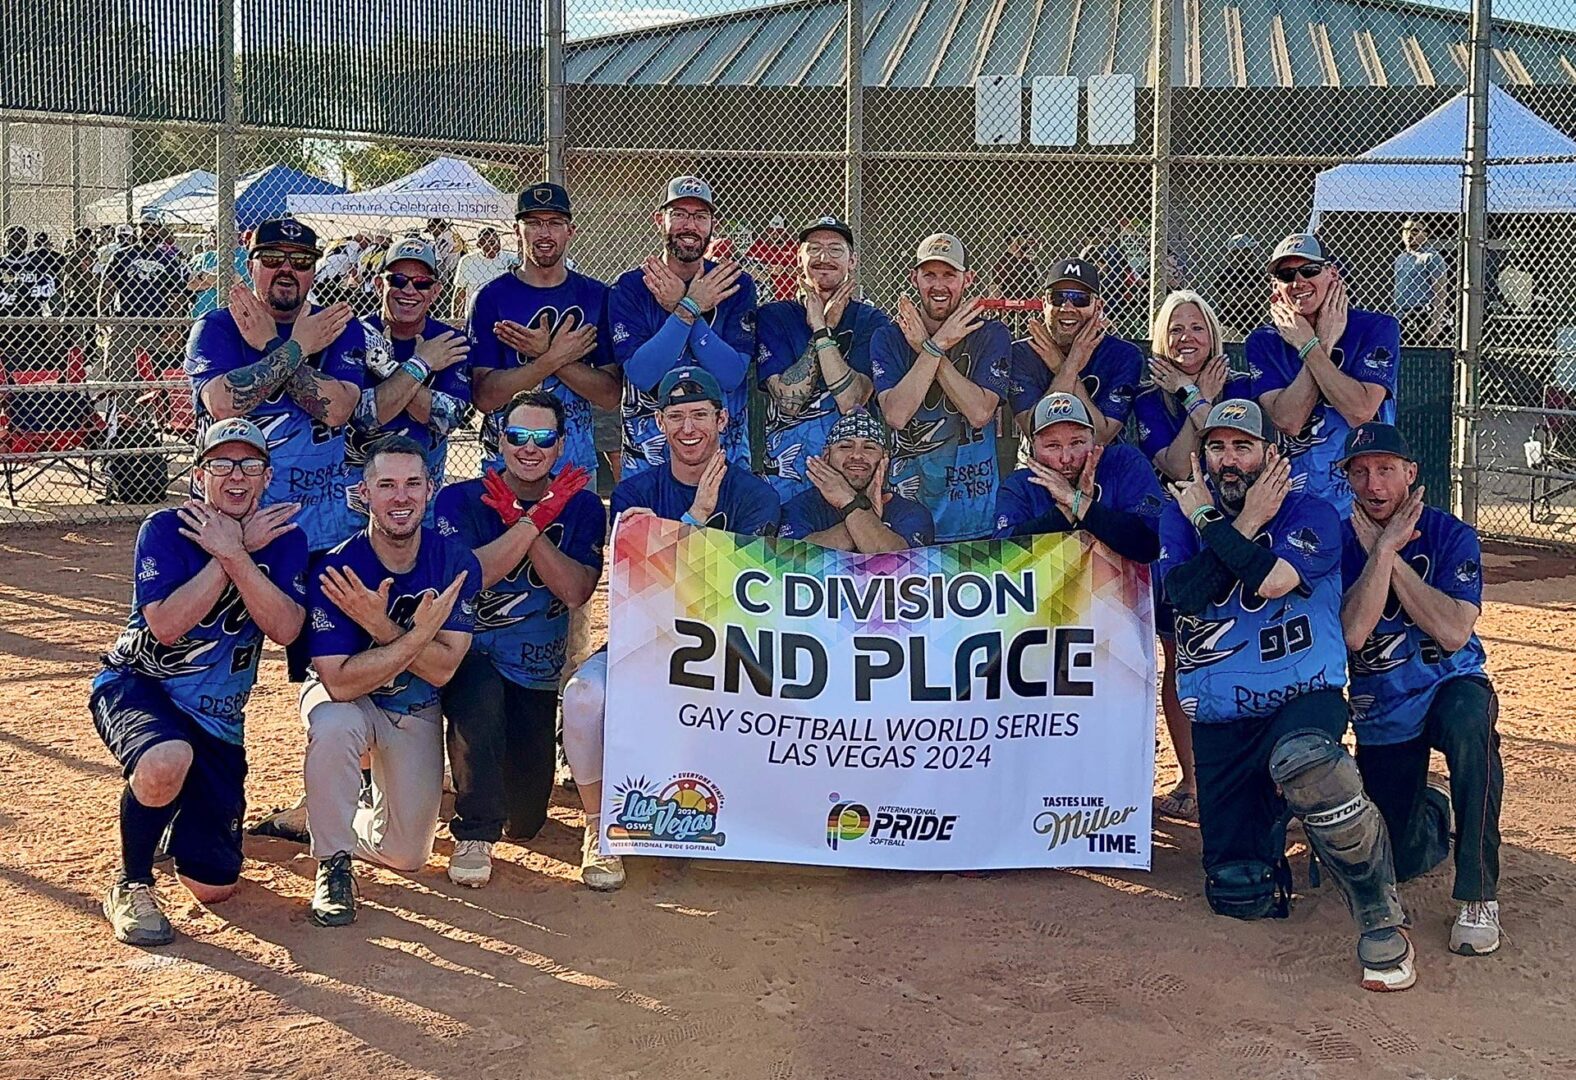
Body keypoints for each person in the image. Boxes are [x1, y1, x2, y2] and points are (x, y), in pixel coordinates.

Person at [1158, 398, 1415, 993]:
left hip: (1302, 693)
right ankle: (1280, 825)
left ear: (1272, 457)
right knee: (1238, 891)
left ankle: (1379, 912)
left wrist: (1216, 527)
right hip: (1223, 717)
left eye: (1243, 447)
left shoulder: (1313, 512)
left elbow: (1273, 579)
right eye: (1217, 447)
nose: (1229, 460)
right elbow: (1187, 595)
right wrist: (1234, 525)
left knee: (1306, 763)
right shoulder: (1180, 516)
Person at [559, 365, 780, 891]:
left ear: (722, 419)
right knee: (584, 696)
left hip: (731, 648)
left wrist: (682, 541)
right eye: (675, 416)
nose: (688, 427)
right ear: (658, 423)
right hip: (650, 641)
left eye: (700, 414)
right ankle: (600, 829)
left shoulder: (755, 496)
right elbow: (640, 586)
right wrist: (698, 519)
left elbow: (749, 592)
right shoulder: (636, 491)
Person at [90, 418, 307, 945]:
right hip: (140, 685)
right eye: (222, 464)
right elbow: (165, 626)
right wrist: (227, 554)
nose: (236, 476)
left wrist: (240, 553)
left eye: (250, 465)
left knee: (214, 887)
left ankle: (166, 816)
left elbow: (285, 628)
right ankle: (131, 883)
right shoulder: (165, 528)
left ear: (266, 476)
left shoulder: (284, 539)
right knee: (166, 759)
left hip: (217, 717)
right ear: (199, 476)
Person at [1337, 422, 1504, 956]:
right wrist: (1380, 553)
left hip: (1449, 684)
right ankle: (1434, 808)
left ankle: (1478, 893)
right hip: (1383, 706)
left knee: (1469, 722)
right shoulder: (1339, 540)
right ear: (1347, 480)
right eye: (1360, 472)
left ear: (1411, 473)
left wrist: (1391, 553)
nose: (1374, 484)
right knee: (1402, 862)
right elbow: (1353, 634)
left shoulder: (1451, 533)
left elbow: (1454, 631)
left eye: (1386, 470)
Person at [300, 436, 481, 926]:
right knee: (334, 723)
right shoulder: (337, 567)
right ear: (364, 494)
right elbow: (338, 682)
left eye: (412, 485)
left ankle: (321, 815)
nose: (399, 497)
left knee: (406, 856)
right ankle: (332, 863)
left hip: (414, 707)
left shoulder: (454, 560)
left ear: (430, 489)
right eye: (386, 485)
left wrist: (380, 627)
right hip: (351, 700)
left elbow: (445, 669)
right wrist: (420, 635)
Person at [433, 391, 605, 886]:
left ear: (560, 445)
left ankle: (481, 787)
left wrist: (535, 520)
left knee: (526, 822)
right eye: (518, 436)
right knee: (480, 698)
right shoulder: (460, 499)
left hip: (535, 668)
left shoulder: (583, 504)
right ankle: (474, 833)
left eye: (543, 438)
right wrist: (530, 520)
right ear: (499, 439)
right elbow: (473, 575)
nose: (529, 448)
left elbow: (574, 590)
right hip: (467, 653)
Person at [185, 217, 367, 681]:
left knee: (330, 673)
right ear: (252, 265)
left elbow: (338, 409)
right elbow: (225, 404)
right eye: (272, 259)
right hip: (230, 526)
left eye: (301, 261)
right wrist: (293, 350)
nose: (287, 269)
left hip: (320, 532)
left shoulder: (335, 328)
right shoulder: (218, 328)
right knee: (214, 668)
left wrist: (271, 344)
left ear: (313, 271)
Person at [1133, 290, 1244, 822]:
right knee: (1179, 651)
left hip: (1241, 524)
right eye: (1175, 329)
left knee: (1240, 642)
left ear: (1214, 335)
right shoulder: (1151, 398)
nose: (1186, 338)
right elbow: (1179, 464)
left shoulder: (1239, 386)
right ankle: (1191, 777)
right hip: (1177, 526)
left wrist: (1200, 396)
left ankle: (1247, 772)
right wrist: (1194, 398)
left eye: (1197, 328)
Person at [469, 183, 619, 482]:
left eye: (554, 223)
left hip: (573, 465)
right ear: (516, 230)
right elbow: (484, 397)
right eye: (534, 223)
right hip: (507, 466)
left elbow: (609, 394)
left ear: (570, 231)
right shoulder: (490, 297)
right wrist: (550, 359)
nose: (544, 233)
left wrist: (547, 353)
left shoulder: (596, 296)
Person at [609, 176, 758, 476]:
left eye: (700, 217)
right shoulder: (631, 287)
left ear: (713, 224)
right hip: (648, 461)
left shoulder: (735, 283)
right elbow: (641, 373)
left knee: (719, 524)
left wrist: (683, 305)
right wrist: (688, 308)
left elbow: (731, 375)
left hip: (722, 461)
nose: (690, 226)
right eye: (679, 215)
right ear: (659, 220)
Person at [1244, 233, 1399, 516]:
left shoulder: (1377, 328)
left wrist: (1310, 346)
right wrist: (1320, 345)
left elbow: (1360, 411)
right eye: (1286, 274)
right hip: (1295, 502)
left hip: (1365, 499)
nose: (1298, 281)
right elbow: (1288, 421)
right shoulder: (1264, 341)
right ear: (1275, 286)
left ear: (1332, 274)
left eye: (1310, 270)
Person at [871, 233, 1009, 543]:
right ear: (914, 277)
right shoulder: (888, 337)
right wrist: (936, 347)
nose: (938, 285)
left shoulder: (991, 334)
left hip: (973, 516)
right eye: (929, 274)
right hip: (908, 514)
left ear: (967, 279)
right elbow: (896, 414)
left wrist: (930, 347)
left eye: (949, 275)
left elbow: (979, 412)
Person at [756, 214, 891, 499]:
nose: (823, 257)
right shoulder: (774, 316)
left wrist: (821, 330)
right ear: (799, 257)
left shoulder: (871, 320)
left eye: (835, 249)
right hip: (785, 481)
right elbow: (788, 400)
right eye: (814, 248)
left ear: (852, 260)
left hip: (851, 482)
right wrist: (824, 325)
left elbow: (851, 401)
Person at [349, 236, 472, 524]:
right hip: (358, 494)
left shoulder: (450, 342)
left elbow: (445, 419)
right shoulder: (354, 335)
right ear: (380, 284)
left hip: (422, 496)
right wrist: (422, 364)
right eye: (398, 280)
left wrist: (388, 367)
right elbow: (367, 416)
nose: (409, 290)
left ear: (435, 292)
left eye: (422, 283)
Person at [993, 392, 1163, 564]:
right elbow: (1005, 559)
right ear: (1033, 445)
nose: (1066, 458)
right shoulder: (1019, 486)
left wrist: (1077, 501)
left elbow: (1150, 546)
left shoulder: (1123, 462)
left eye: (1077, 443)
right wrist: (1065, 511)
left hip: (1127, 589)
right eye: (1053, 446)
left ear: (1093, 439)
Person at [1009, 257, 1142, 447]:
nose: (1067, 308)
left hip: (1101, 464)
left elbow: (1101, 437)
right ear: (1044, 304)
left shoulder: (1124, 355)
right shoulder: (1022, 353)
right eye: (1057, 297)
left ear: (1098, 307)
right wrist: (1070, 367)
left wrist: (1061, 366)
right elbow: (1034, 430)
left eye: (1080, 299)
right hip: (1038, 466)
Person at [778, 409, 932, 551]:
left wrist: (850, 503)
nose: (857, 455)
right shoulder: (800, 508)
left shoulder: (911, 512)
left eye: (869, 447)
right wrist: (862, 510)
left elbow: (899, 564)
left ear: (885, 459)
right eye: (845, 446)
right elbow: (792, 561)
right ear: (826, 457)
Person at [99, 220, 184, 381]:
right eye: (145, 227)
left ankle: (151, 406)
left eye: (154, 228)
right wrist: (101, 318)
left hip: (157, 325)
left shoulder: (169, 260)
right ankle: (122, 405)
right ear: (137, 230)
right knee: (117, 375)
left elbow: (177, 295)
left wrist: (174, 326)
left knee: (156, 377)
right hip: (125, 322)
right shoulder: (122, 255)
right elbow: (107, 288)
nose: (150, 231)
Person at [1393, 219, 1450, 346]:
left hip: (1422, 315)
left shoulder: (1431, 257)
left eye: (1415, 230)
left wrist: (1435, 323)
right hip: (1401, 315)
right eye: (1406, 230)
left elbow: (1440, 293)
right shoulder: (1400, 259)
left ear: (1425, 234)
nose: (1410, 234)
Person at [452, 226, 520, 319]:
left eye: (496, 242)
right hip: (476, 314)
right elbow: (460, 292)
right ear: (479, 244)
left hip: (503, 314)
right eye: (489, 243)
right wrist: (456, 318)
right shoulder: (468, 261)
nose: (493, 247)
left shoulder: (511, 259)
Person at [187, 227, 252, 320]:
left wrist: (203, 276)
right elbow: (191, 284)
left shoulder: (245, 256)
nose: (214, 236)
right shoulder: (206, 256)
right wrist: (217, 278)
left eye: (220, 231)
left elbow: (234, 283)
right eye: (212, 233)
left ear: (237, 235)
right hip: (201, 316)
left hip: (234, 318)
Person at [1212, 234, 1262, 341]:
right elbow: (1232, 299)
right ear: (1236, 253)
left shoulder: (1255, 273)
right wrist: (1254, 294)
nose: (1251, 254)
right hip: (1231, 327)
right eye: (1247, 251)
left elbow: (1264, 293)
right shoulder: (1225, 275)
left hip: (1254, 326)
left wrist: (1249, 294)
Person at [745, 214, 798, 302]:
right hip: (761, 298)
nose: (775, 234)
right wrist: (755, 272)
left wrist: (784, 270)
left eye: (779, 231)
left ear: (785, 231)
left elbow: (804, 273)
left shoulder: (794, 248)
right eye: (771, 230)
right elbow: (744, 267)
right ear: (767, 230)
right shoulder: (758, 246)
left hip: (788, 299)